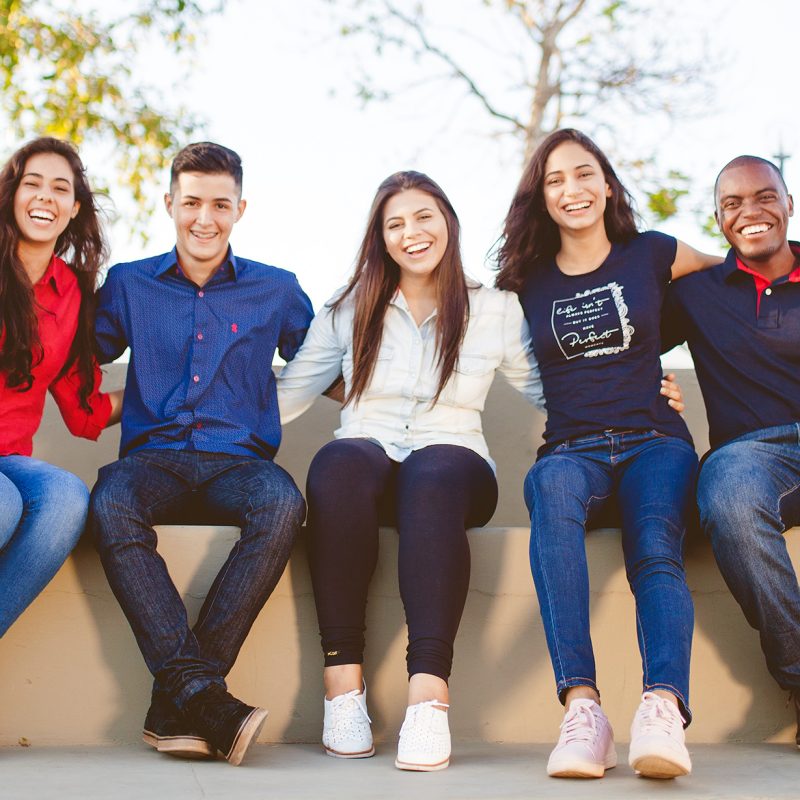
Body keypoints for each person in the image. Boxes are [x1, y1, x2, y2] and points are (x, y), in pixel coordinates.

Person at [277, 171, 545, 771]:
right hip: (367, 456)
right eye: (394, 224)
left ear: (447, 220)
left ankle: (428, 698)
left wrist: (636, 396)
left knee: (432, 475)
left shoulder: (495, 309)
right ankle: (343, 689)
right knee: (338, 463)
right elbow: (287, 396)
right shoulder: (348, 310)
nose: (411, 232)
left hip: (454, 462)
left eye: (423, 216)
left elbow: (549, 390)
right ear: (381, 238)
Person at [495, 128, 719, 780]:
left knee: (654, 543)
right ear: (541, 197)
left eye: (584, 173)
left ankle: (662, 708)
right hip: (572, 448)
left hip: (656, 442)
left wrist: (667, 363)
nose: (573, 190)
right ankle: (583, 710)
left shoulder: (652, 253)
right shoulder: (524, 281)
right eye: (556, 180)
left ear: (608, 184)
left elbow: (731, 278)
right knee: (551, 491)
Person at [90, 142, 313, 766]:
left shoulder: (277, 289)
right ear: (169, 204)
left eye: (220, 204)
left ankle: (183, 700)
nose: (204, 219)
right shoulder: (130, 283)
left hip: (239, 463)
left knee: (282, 504)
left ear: (241, 208)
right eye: (191, 203)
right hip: (151, 460)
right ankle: (206, 699)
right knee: (109, 502)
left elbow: (333, 361)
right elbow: (74, 358)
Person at [662, 155, 800, 749]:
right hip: (753, 455)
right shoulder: (697, 292)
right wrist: (648, 391)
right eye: (732, 203)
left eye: (764, 196)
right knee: (730, 497)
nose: (751, 212)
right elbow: (617, 340)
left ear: (788, 202)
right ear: (718, 219)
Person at [0, 137, 120, 638]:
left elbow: (83, 409)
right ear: (11, 195)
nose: (44, 197)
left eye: (59, 188)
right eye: (32, 183)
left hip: (9, 459)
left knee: (68, 497)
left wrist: (167, 390)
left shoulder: (71, 292)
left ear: (74, 209)